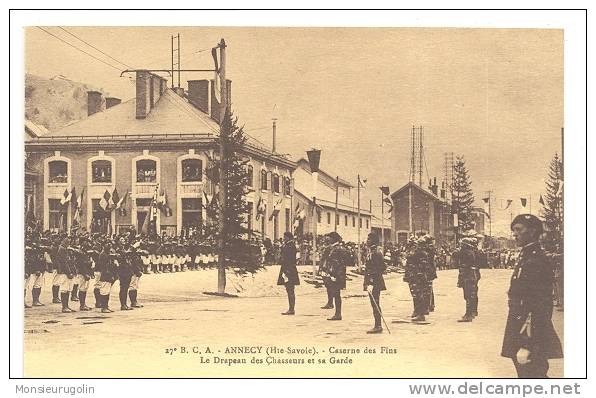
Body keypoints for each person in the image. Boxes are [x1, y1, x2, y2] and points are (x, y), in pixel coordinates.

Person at [501, 214, 563, 378]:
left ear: (533, 231)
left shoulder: (536, 259)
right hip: (520, 324)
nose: (514, 234)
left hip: (529, 331)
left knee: (533, 376)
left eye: (519, 230)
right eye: (513, 230)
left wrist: (527, 343)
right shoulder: (526, 255)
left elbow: (541, 305)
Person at [319, 232, 349, 321]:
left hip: (337, 274)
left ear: (334, 239)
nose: (329, 239)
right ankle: (337, 313)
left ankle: (338, 314)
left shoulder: (338, 248)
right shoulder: (333, 248)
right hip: (333, 272)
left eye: (330, 238)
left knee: (337, 294)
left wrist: (337, 273)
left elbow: (343, 261)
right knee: (335, 293)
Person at [363, 232, 386, 334]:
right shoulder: (372, 251)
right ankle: (377, 324)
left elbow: (380, 268)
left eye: (369, 239)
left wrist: (371, 282)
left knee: (375, 302)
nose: (367, 241)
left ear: (374, 241)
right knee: (374, 303)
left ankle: (378, 325)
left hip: (374, 282)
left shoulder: (376, 253)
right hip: (371, 281)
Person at [403, 236, 429, 322]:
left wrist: (418, 274)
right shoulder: (416, 252)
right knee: (415, 294)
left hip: (417, 277)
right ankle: (417, 311)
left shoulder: (421, 253)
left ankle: (421, 314)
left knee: (418, 294)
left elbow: (423, 266)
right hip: (412, 276)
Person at [455, 237, 481, 322]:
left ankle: (468, 315)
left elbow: (455, 255)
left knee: (468, 295)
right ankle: (472, 312)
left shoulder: (466, 252)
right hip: (470, 275)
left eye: (462, 244)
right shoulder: (471, 252)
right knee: (471, 294)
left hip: (468, 275)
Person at [277, 232, 300, 315]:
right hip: (287, 268)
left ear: (288, 237)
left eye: (285, 237)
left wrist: (287, 270)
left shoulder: (290, 246)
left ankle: (291, 309)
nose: (284, 238)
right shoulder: (287, 245)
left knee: (290, 289)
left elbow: (289, 258)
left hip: (289, 269)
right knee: (289, 289)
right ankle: (291, 308)